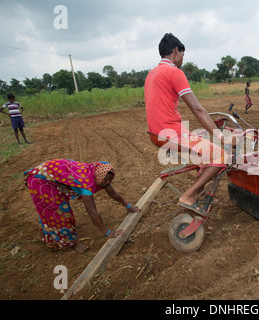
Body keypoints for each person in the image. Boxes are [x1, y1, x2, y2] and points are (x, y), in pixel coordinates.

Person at [145, 33, 237, 216]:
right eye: (182, 55)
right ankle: (189, 195)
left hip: (156, 134)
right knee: (221, 156)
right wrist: (221, 136)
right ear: (176, 51)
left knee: (202, 145)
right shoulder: (174, 72)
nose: (182, 60)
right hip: (171, 135)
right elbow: (197, 109)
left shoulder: (152, 74)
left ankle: (202, 193)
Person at [23, 159, 140, 253]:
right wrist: (108, 232)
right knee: (60, 212)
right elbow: (92, 212)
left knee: (50, 209)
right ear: (99, 176)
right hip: (41, 181)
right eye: (107, 180)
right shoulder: (87, 183)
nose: (108, 182)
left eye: (111, 179)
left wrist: (128, 206)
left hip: (50, 178)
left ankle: (43, 234)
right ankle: (71, 243)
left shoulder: (98, 174)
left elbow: (113, 193)